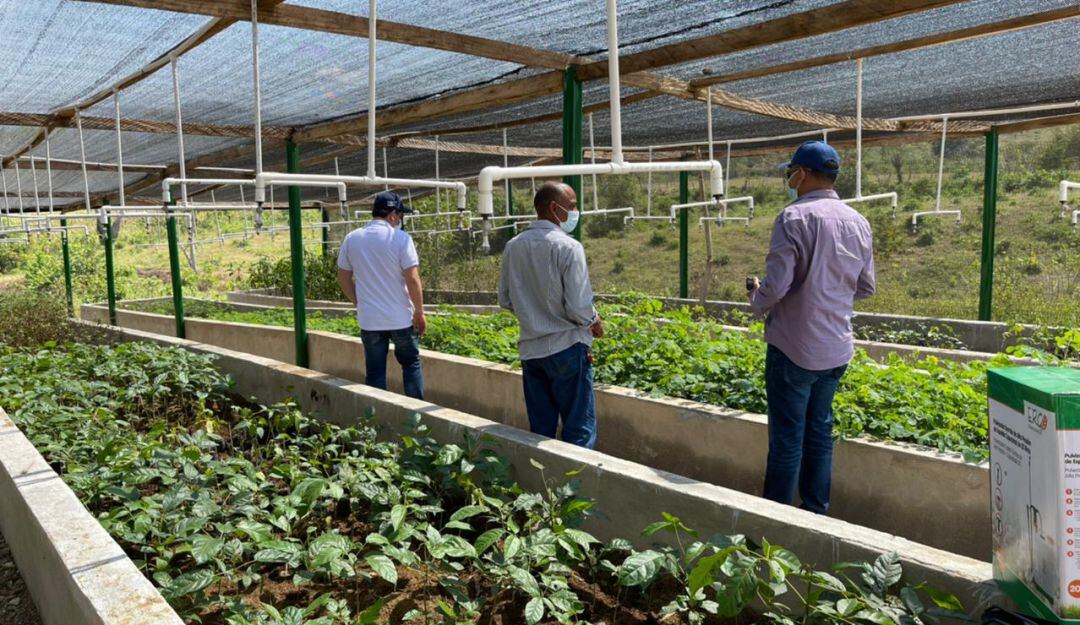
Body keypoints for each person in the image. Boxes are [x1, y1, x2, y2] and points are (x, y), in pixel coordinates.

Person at [746, 140, 875, 514]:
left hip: (794, 349)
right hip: (836, 349)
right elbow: (865, 287)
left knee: (788, 438)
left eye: (791, 172)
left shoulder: (793, 218)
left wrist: (757, 297)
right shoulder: (858, 221)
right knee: (819, 433)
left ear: (802, 173)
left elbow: (778, 285)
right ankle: (816, 511)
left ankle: (777, 518)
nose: (790, 179)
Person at [497, 181, 603, 449]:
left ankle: (543, 487)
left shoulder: (514, 246)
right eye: (573, 206)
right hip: (567, 347)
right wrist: (594, 321)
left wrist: (533, 313)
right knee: (579, 428)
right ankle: (574, 489)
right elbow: (579, 306)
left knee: (540, 432)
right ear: (555, 208)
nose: (576, 212)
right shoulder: (569, 247)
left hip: (532, 351)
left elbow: (505, 299)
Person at [337, 190, 426, 399]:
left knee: (375, 373)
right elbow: (413, 279)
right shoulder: (401, 239)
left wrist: (358, 302)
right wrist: (420, 312)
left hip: (370, 320)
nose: (400, 220)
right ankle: (416, 420)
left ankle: (376, 424)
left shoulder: (352, 239)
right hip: (401, 318)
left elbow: (343, 277)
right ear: (392, 214)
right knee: (411, 364)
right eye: (400, 215)